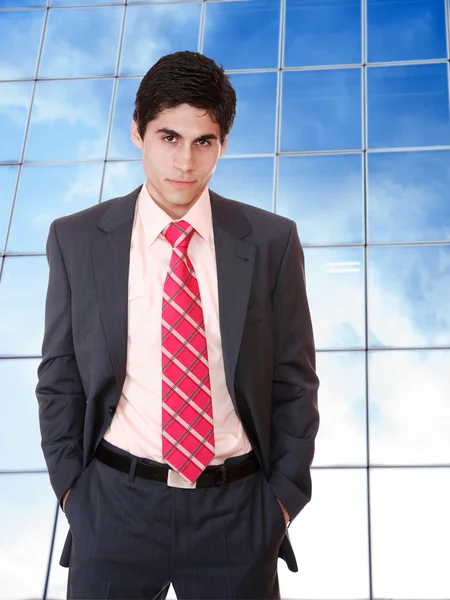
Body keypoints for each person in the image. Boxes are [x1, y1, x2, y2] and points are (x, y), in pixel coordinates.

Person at [36, 50, 319, 600]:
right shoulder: (75, 239)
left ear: (223, 145)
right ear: (137, 134)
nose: (185, 162)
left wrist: (280, 502)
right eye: (169, 137)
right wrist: (74, 492)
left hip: (237, 513)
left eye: (203, 141)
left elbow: (295, 382)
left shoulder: (270, 242)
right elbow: (59, 376)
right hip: (114, 508)